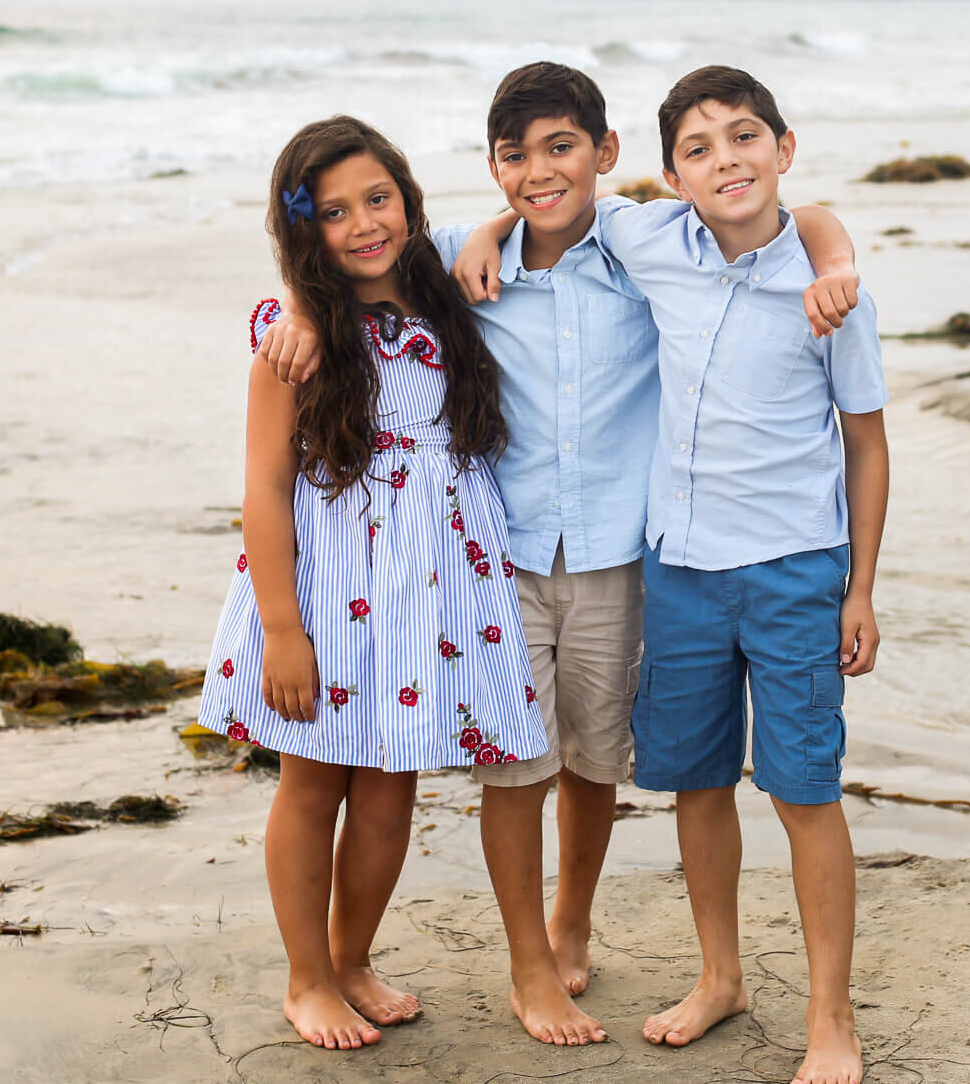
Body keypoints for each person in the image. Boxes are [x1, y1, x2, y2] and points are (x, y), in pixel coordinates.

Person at [257, 62, 861, 1050]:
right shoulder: (457, 254)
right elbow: (344, 253)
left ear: (605, 155)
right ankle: (528, 966)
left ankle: (571, 918)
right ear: (492, 168)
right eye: (514, 155)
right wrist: (292, 305)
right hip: (499, 561)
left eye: (560, 148)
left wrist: (836, 259)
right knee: (514, 768)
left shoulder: (647, 247)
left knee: (594, 759)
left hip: (624, 553)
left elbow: (808, 218)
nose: (539, 172)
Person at [458, 64, 888, 1084]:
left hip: (793, 571)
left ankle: (830, 1015)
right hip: (680, 570)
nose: (724, 159)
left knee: (802, 789)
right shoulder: (647, 239)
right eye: (697, 149)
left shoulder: (828, 297)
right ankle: (719, 977)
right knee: (694, 785)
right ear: (665, 174)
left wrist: (860, 587)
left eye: (744, 137)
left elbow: (866, 444)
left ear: (783, 146)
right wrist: (481, 234)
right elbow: (544, 197)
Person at [197, 114, 548, 1052]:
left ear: (407, 197)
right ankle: (306, 978)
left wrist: (483, 232)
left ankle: (351, 957)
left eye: (378, 199)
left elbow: (520, 216)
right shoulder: (293, 338)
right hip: (329, 589)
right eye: (334, 212)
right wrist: (281, 626)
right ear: (302, 229)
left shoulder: (441, 292)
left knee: (392, 790)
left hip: (426, 591)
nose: (363, 225)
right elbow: (266, 488)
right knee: (314, 783)